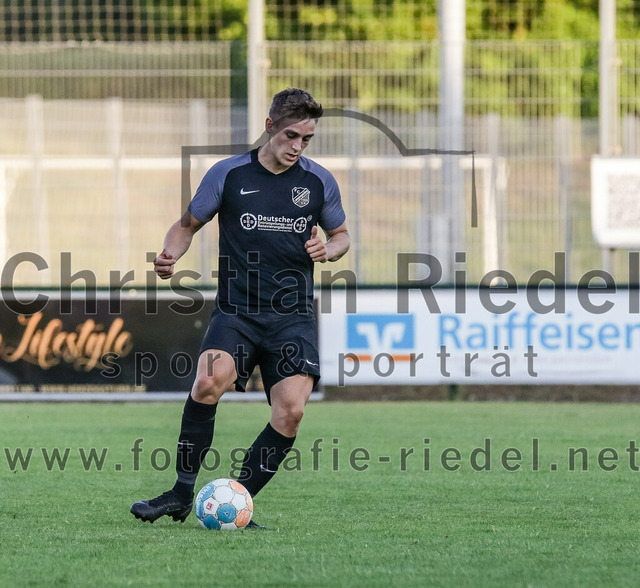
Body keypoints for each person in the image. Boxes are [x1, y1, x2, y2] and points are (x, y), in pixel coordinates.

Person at [131, 88, 350, 527]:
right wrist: (170, 254)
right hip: (237, 312)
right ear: (269, 127)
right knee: (207, 382)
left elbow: (342, 235)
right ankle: (180, 493)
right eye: (291, 136)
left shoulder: (318, 181)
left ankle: (237, 501)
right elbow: (186, 225)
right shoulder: (229, 174)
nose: (297, 146)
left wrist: (329, 249)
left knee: (291, 412)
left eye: (306, 139)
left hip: (292, 316)